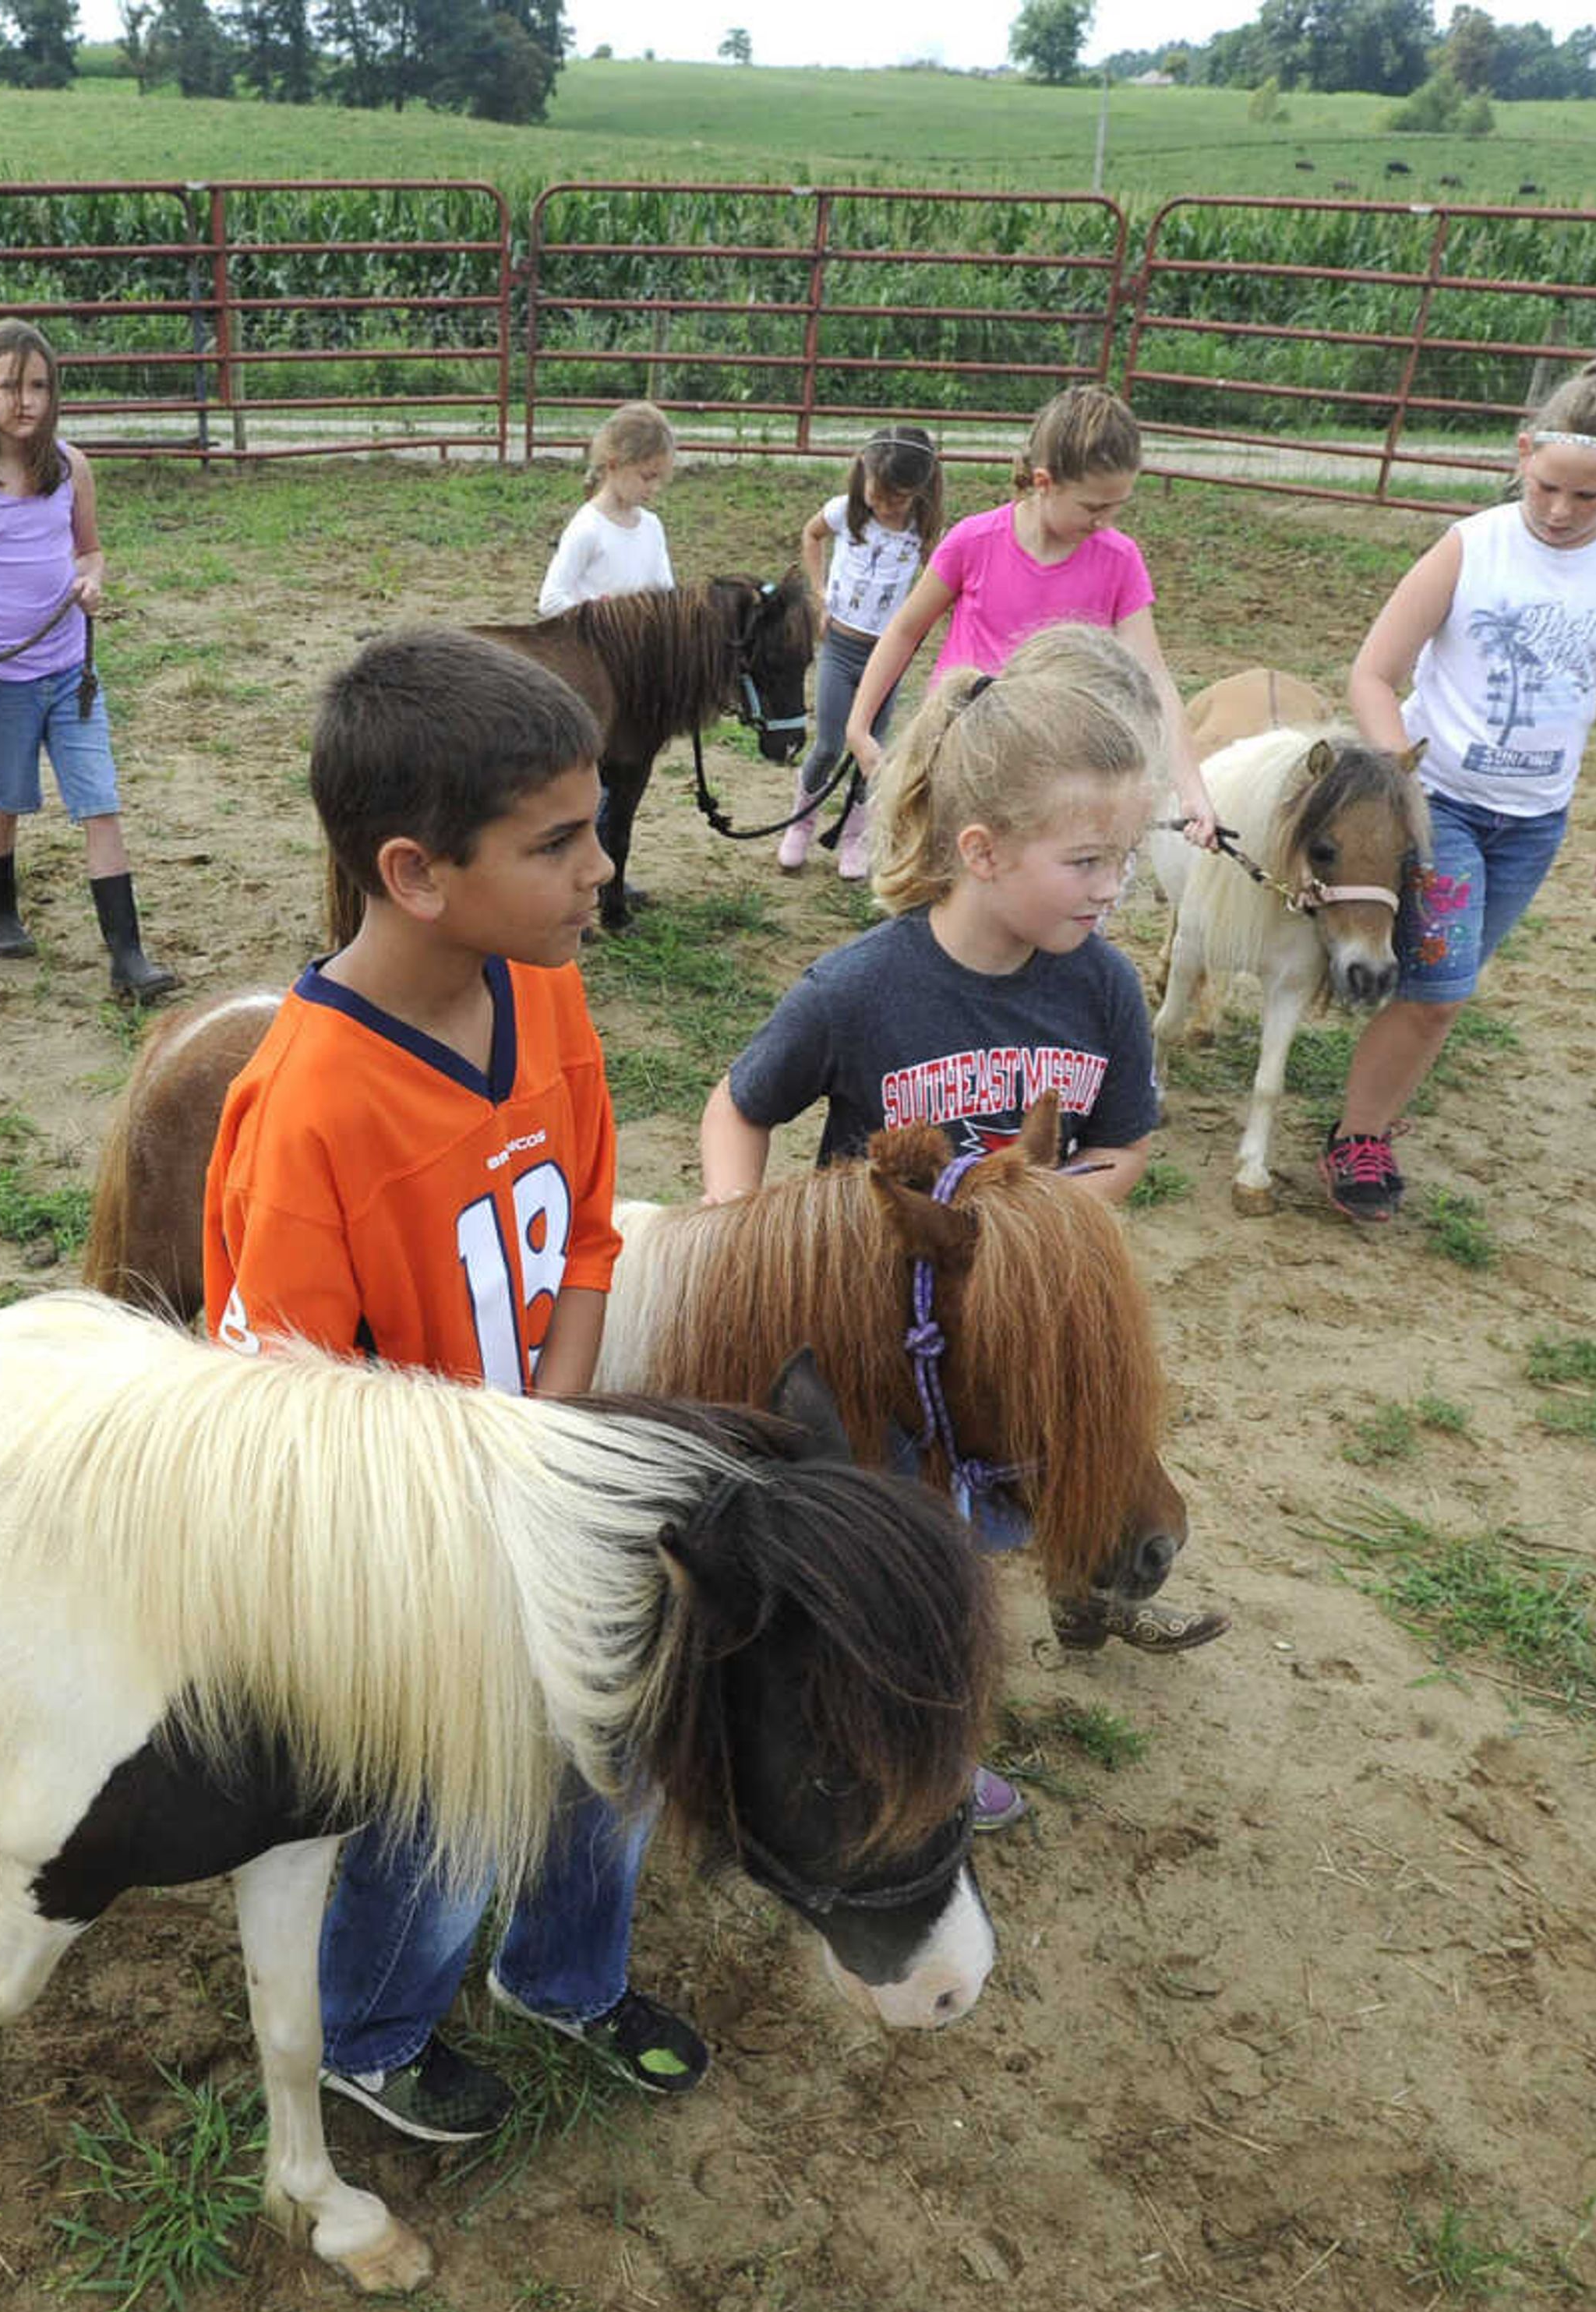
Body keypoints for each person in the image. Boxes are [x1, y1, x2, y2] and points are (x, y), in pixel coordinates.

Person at [203, 627, 708, 2144]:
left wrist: (540, 1433)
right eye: (558, 841)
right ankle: (373, 2026)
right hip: (411, 1539)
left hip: (533, 1461)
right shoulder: (304, 1111)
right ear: (418, 871)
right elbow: (282, 1410)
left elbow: (595, 1234)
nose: (601, 864)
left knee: (615, 1729)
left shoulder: (542, 987)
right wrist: (478, 1496)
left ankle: (562, 1973)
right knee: (453, 1794)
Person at [701, 623, 1172, 1830]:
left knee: (980, 1530)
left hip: (1006, 1331)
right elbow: (738, 1107)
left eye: (1122, 856)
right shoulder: (862, 987)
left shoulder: (1104, 985)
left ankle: (953, 1707)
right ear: (981, 847)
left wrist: (1044, 1223)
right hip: (875, 1342)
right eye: (1085, 859)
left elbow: (1129, 1145)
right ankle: (883, 1736)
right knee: (885, 1544)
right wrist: (740, 1233)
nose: (1111, 886)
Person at [1319, 354, 1596, 1224]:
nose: (1559, 510)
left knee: (1443, 983)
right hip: (1440, 801)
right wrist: (1400, 777)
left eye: (1587, 496)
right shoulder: (1472, 545)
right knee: (1444, 990)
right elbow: (1375, 670)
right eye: (1548, 485)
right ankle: (1357, 1138)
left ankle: (1369, 1097)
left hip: (1536, 817)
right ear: (1523, 453)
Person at [840, 385, 1216, 846]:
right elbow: (904, 630)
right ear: (1044, 483)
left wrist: (1191, 788)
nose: (1105, 521)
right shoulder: (973, 541)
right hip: (967, 757)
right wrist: (859, 726)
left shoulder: (1120, 560)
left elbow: (1153, 676)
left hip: (1062, 771)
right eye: (1093, 506)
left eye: (1118, 506)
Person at [0, 317, 179, 1003]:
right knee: (7, 798)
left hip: (71, 671)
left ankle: (128, 957)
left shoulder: (70, 467)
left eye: (38, 386)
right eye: (10, 385)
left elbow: (89, 549)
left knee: (100, 804)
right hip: (2, 676)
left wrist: (91, 580)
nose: (24, 400)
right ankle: (0, 909)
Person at [785, 424, 946, 882]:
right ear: (863, 473)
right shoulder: (845, 513)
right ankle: (801, 822)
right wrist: (818, 595)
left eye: (897, 498)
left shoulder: (922, 530)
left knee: (869, 751)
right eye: (879, 492)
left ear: (919, 491)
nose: (885, 504)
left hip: (887, 659)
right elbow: (810, 536)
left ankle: (855, 837)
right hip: (840, 646)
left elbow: (940, 577)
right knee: (830, 744)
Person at [537, 401, 677, 616]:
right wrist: (609, 621)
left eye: (659, 479)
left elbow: (667, 597)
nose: (655, 488)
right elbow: (551, 601)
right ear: (614, 465)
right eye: (646, 477)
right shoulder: (588, 528)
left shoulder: (652, 526)